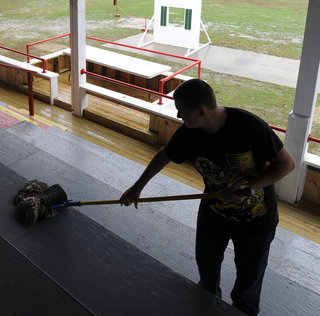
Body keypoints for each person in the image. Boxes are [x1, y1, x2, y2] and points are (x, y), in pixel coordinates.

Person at [120, 78, 295, 315]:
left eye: (182, 111)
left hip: (256, 221)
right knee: (207, 272)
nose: (180, 117)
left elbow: (286, 163)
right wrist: (138, 186)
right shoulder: (190, 133)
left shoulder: (250, 127)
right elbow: (166, 154)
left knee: (248, 285)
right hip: (214, 216)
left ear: (201, 111)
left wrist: (251, 187)